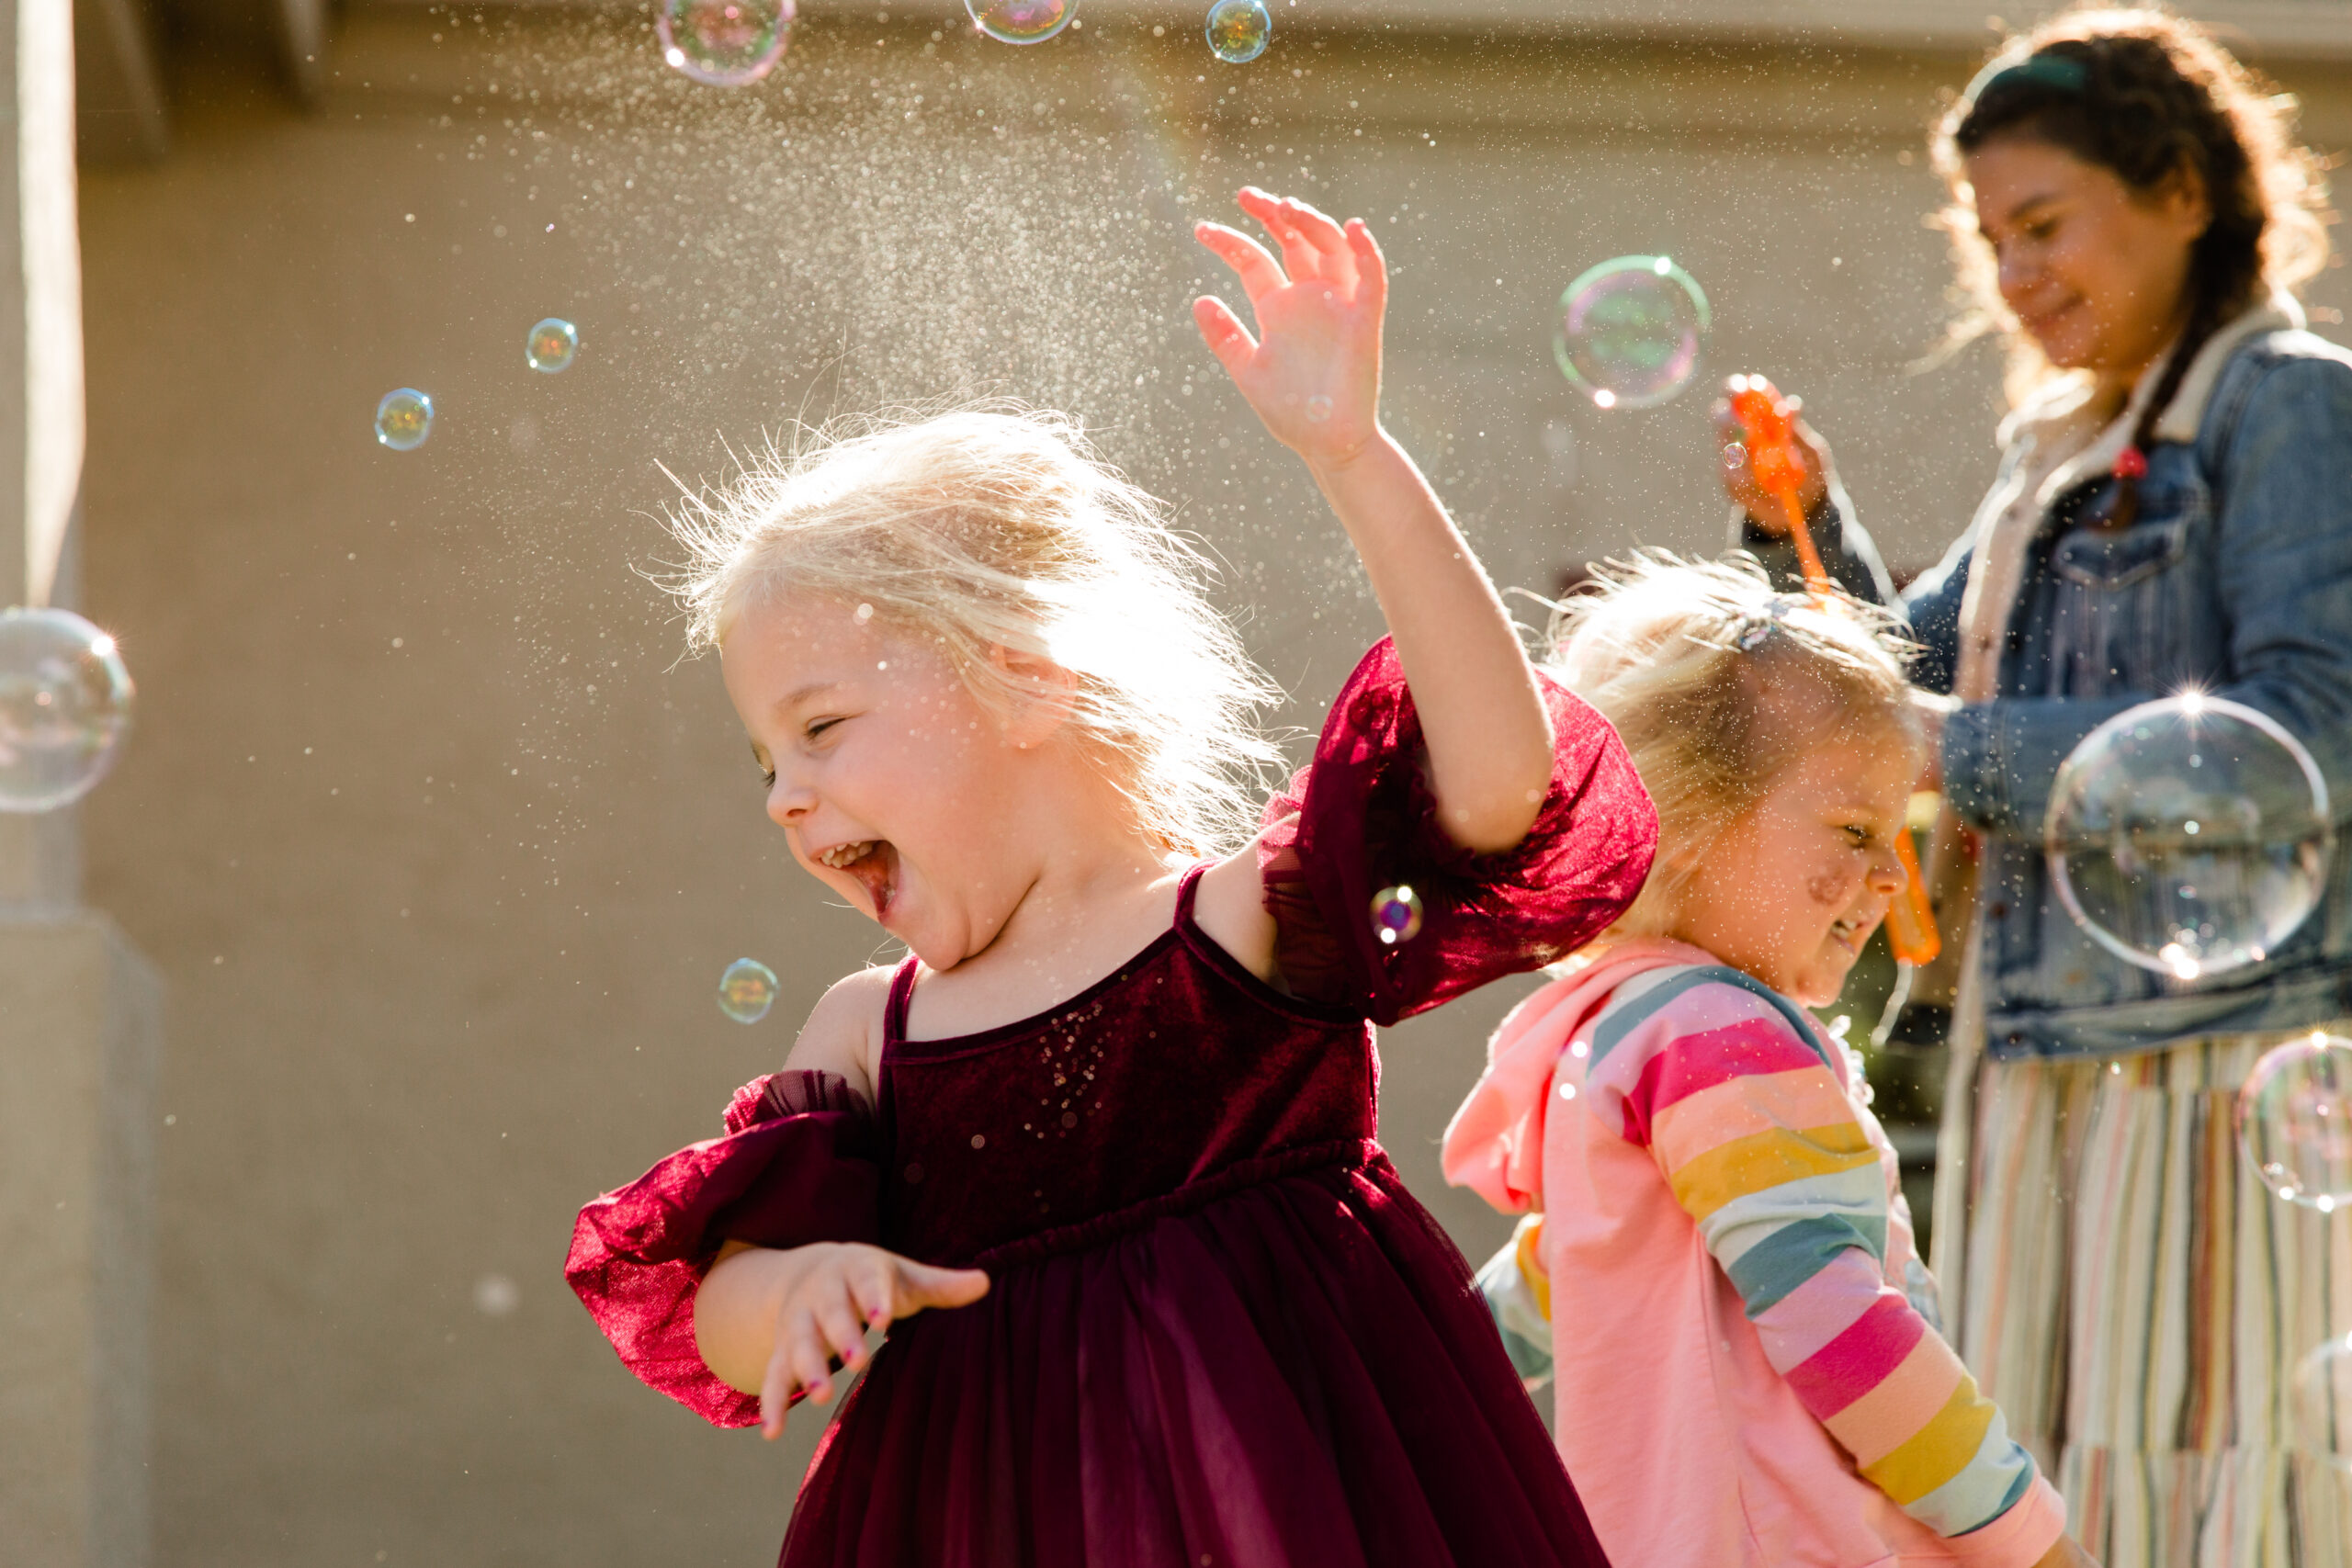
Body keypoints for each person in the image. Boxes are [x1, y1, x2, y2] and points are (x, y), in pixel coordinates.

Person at [563, 187, 1659, 1566]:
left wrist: (1352, 455)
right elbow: (725, 1286)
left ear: (1024, 681)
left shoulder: (1238, 923)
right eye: (763, 757)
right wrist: (794, 1283)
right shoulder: (870, 1029)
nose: (785, 790)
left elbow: (1503, 785)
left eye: (822, 725)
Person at [1713, 10, 2352, 1562]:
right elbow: (1901, 691)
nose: (2016, 277)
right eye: (1991, 239)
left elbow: (2314, 735)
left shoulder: (2288, 409)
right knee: (2040, 1499)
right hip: (2036, 1070)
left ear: (2185, 191)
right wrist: (1805, 529)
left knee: (2201, 1501)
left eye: (2047, 225)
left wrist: (1962, 757)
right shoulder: (2050, 449)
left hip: (2207, 1074)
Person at [1444, 556, 2093, 1568]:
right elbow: (1842, 1339)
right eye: (1851, 828)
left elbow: (1548, 1277)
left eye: (1895, 832)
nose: (1889, 873)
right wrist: (2029, 1541)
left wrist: (1398, 1377)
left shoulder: (1617, 1022)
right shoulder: (1720, 1036)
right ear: (1688, 819)